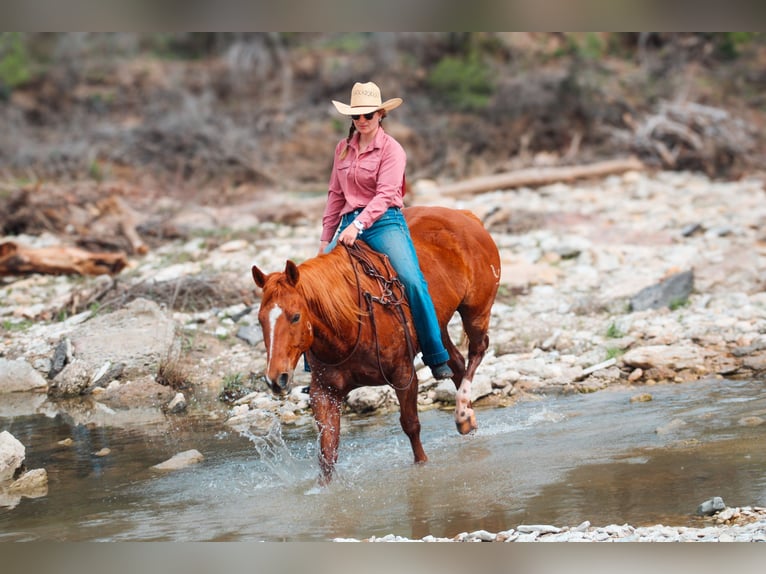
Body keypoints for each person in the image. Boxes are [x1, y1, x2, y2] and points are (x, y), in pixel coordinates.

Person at [318, 81, 453, 381]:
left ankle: (435, 355)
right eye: (357, 117)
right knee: (312, 284)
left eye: (368, 115)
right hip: (347, 224)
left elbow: (385, 194)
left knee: (412, 280)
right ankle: (317, 368)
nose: (362, 121)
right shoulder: (342, 149)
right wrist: (325, 239)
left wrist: (359, 225)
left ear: (380, 115)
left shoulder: (392, 149)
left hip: (384, 223)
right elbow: (334, 195)